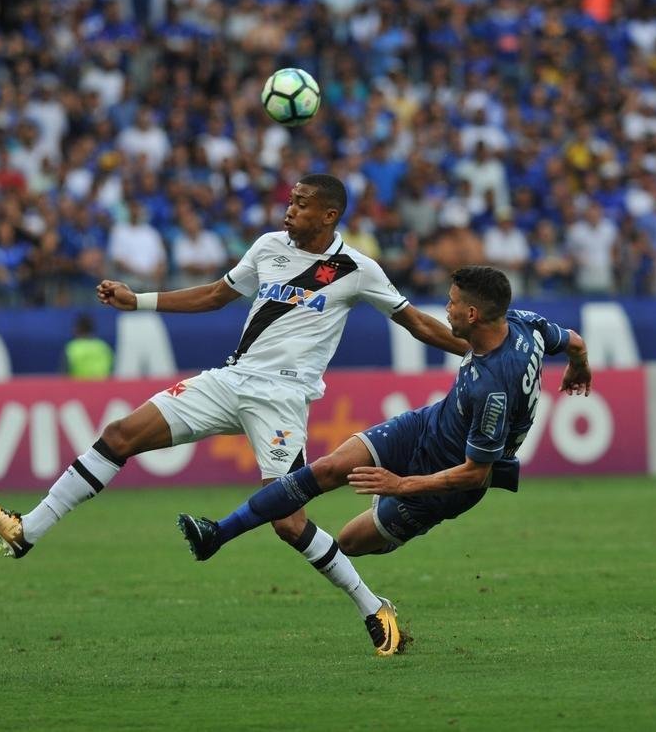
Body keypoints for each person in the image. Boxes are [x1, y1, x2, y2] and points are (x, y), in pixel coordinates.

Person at [0, 174, 468, 654]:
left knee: (289, 523)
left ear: (328, 214)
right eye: (290, 201)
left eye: (300, 203)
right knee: (121, 434)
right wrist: (138, 301)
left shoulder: (356, 268)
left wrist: (477, 351)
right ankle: (26, 531)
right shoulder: (268, 246)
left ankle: (373, 607)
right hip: (230, 380)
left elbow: (417, 323)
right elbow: (215, 294)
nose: (288, 209)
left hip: (282, 399)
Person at [175, 266, 592, 650]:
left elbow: (475, 474)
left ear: (471, 314)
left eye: (450, 303)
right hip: (425, 427)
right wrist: (580, 366)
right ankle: (219, 533)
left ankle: (381, 600)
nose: (445, 309)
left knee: (349, 543)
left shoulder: (493, 389)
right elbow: (574, 341)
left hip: (444, 479)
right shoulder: (524, 323)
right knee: (329, 468)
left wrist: (400, 485)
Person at [62, 313, 113, 379]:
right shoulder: (103, 346)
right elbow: (111, 370)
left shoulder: (72, 347)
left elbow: (64, 373)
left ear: (77, 329)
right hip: (102, 387)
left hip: (78, 387)